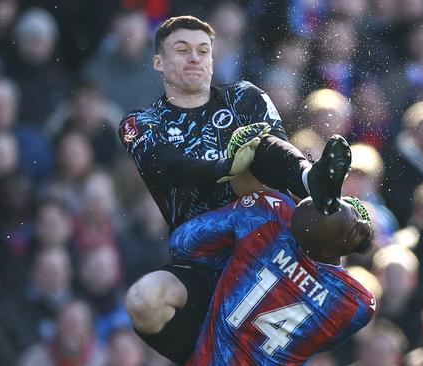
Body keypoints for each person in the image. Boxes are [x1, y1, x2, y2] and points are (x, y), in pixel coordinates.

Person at [121, 15, 353, 363]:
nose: (194, 58)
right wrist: (223, 167)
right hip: (203, 260)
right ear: (158, 61)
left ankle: (313, 180)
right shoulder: (140, 123)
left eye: (203, 51)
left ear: (213, 60)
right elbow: (167, 166)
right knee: (143, 301)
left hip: (269, 254)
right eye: (181, 50)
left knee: (258, 147)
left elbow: (274, 154)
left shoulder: (243, 96)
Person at [167, 179, 376, 364]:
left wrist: (237, 262)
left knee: (148, 299)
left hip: (207, 356)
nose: (326, 201)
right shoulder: (354, 303)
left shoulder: (269, 215)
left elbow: (182, 243)